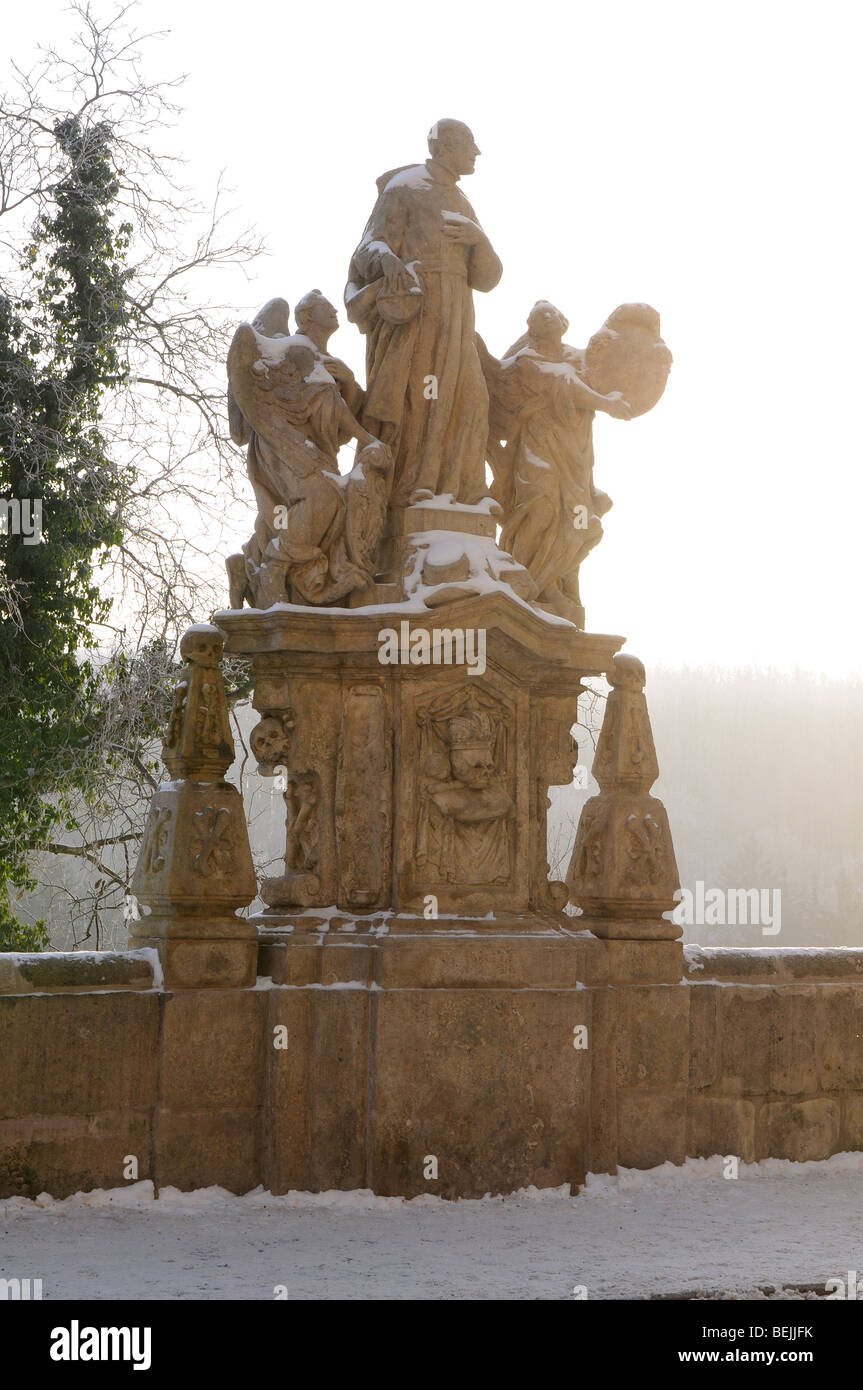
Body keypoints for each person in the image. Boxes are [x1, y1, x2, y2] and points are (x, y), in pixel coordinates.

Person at [345, 119, 502, 507]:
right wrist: (388, 259)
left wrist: (479, 241)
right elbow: (368, 247)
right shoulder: (406, 188)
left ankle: (463, 488)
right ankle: (418, 486)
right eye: (469, 143)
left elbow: (487, 279)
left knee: (472, 397)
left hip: (459, 314)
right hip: (421, 314)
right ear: (445, 146)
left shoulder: (462, 201)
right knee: (425, 396)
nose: (476, 152)